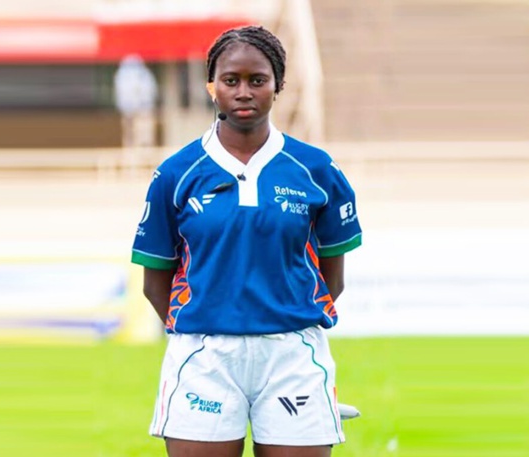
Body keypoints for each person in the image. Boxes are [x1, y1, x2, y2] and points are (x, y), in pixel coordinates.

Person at [131, 25, 362, 457]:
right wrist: (206, 322)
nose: (243, 92)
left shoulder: (315, 169)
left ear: (278, 87)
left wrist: (285, 315)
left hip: (293, 352)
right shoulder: (176, 173)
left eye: (257, 80)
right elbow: (154, 280)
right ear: (211, 86)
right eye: (230, 80)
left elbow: (333, 272)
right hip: (204, 356)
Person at [113, 54, 158, 171]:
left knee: (143, 138)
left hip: (142, 111)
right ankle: (133, 165)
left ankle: (144, 164)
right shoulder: (132, 74)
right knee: (132, 139)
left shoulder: (141, 75)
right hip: (134, 111)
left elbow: (148, 92)